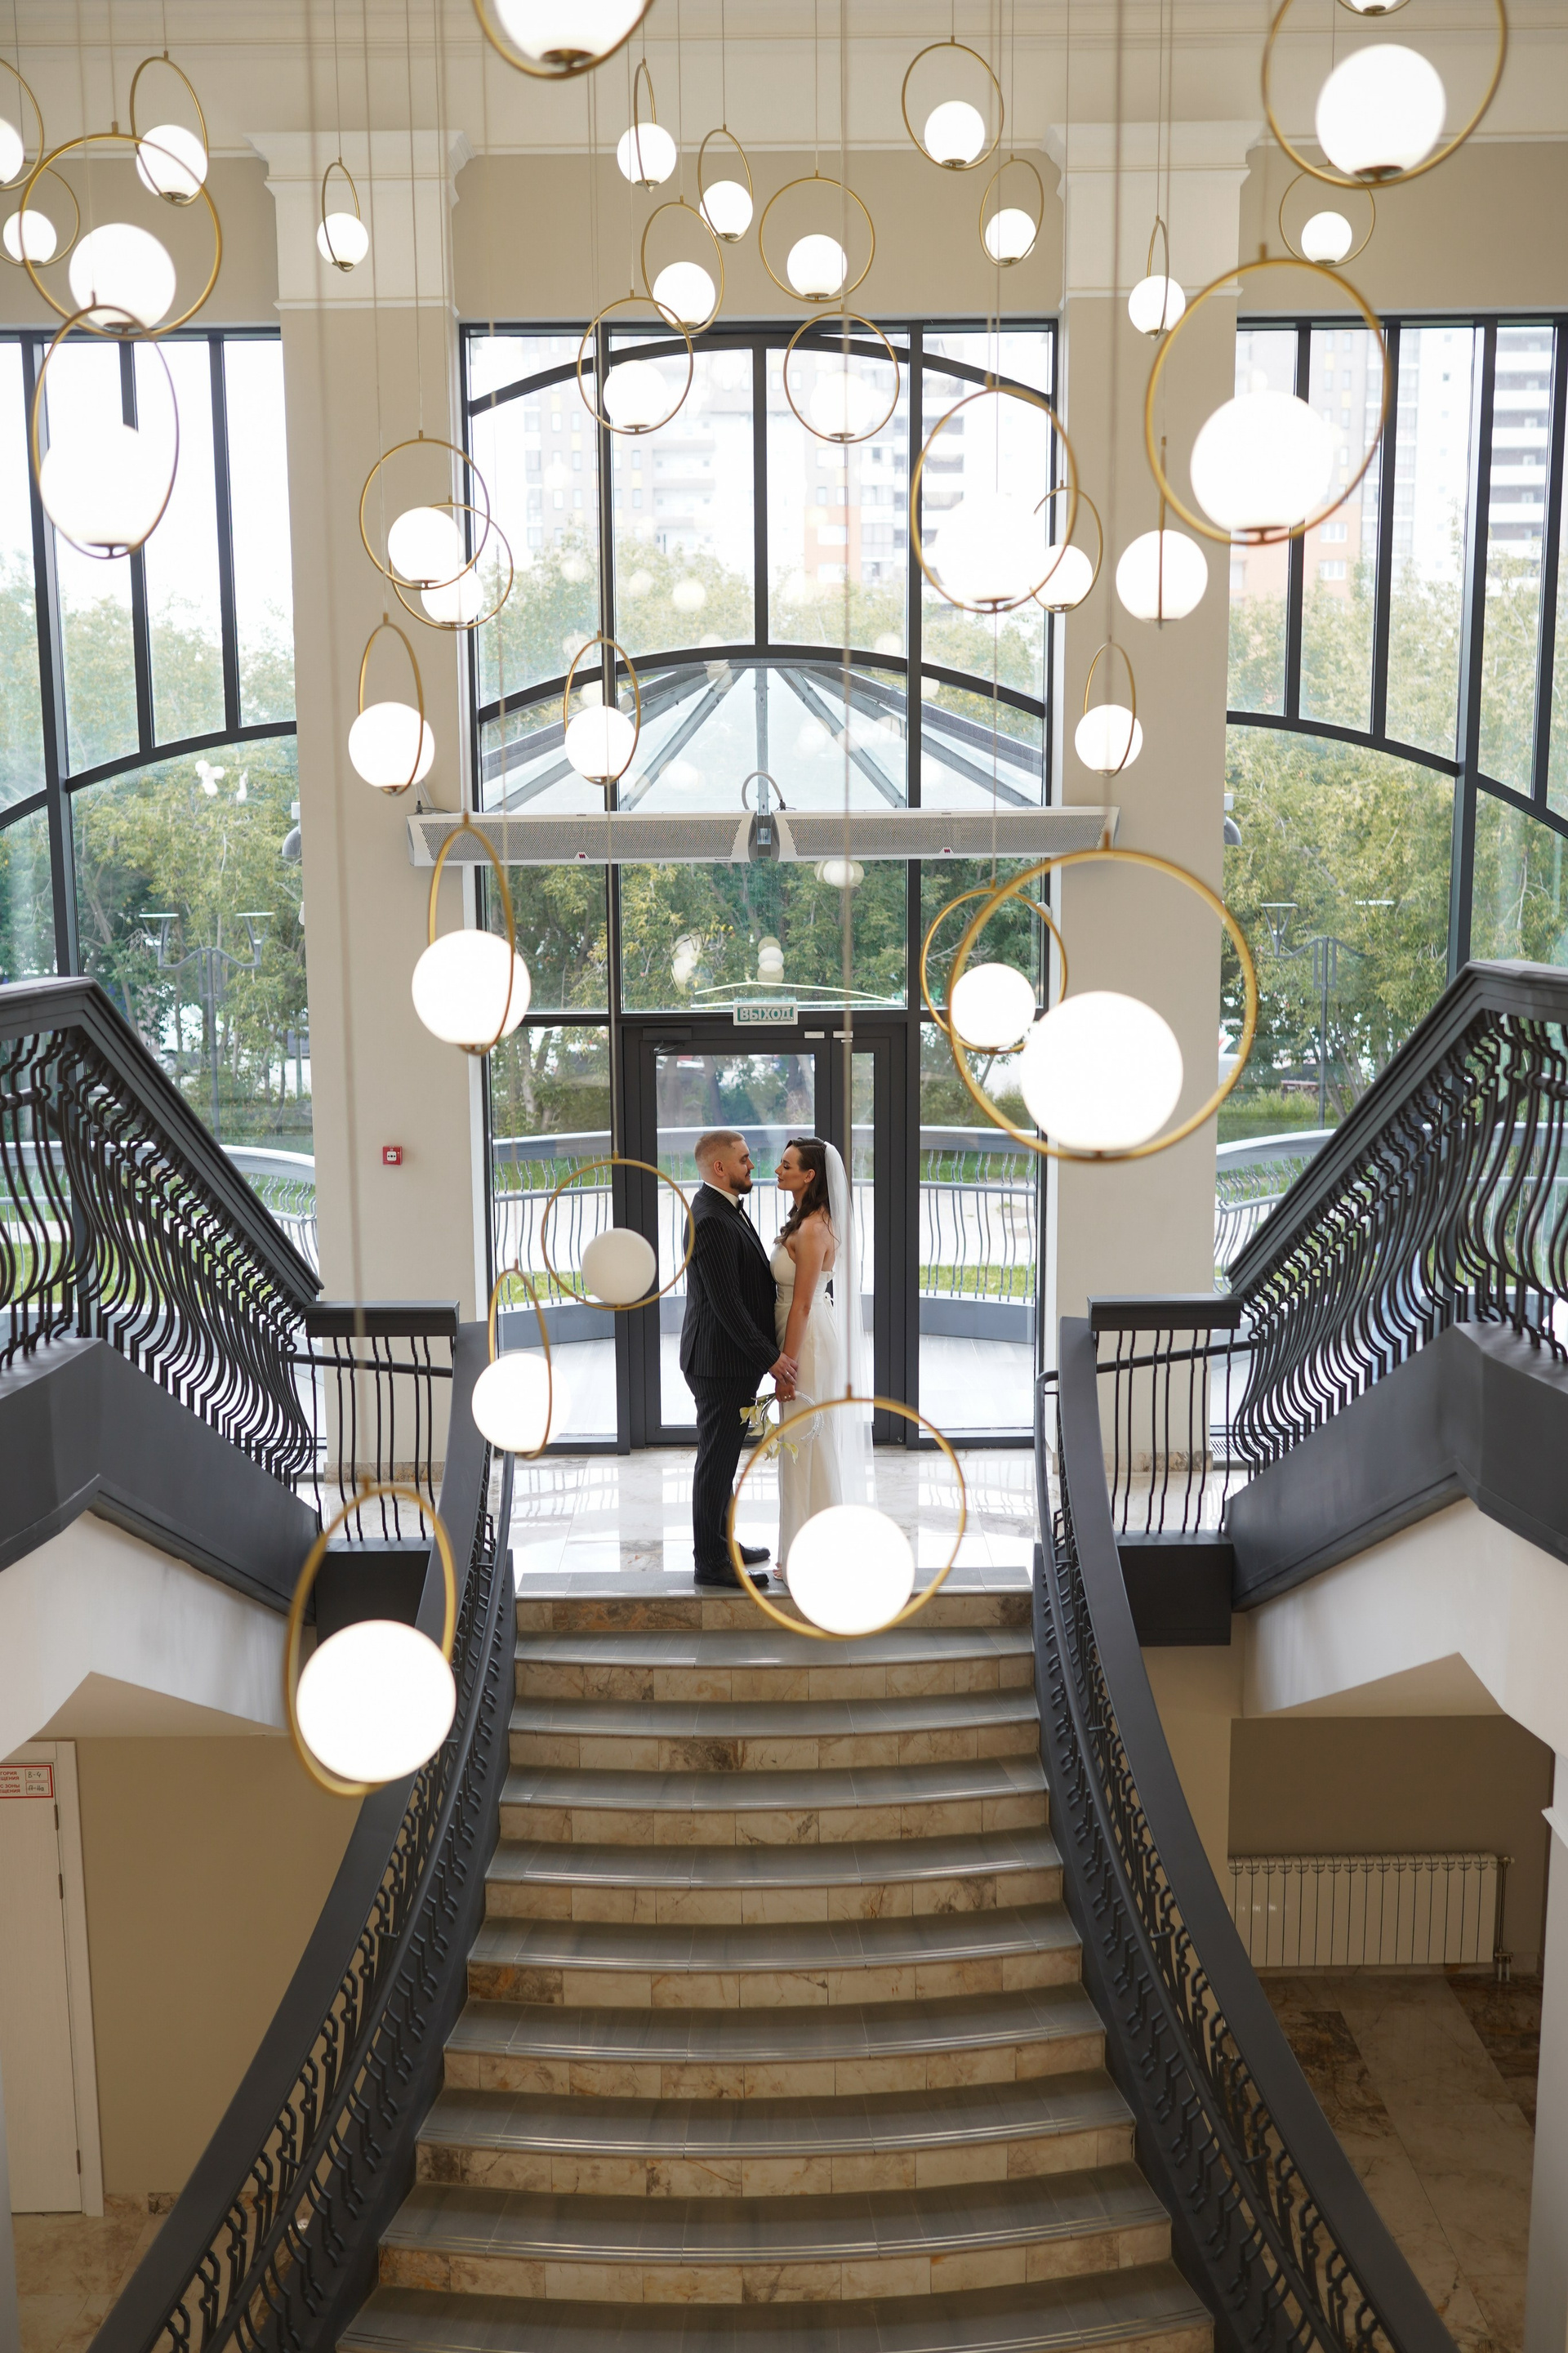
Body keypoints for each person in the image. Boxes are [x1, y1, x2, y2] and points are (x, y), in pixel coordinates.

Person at [679, 1129, 797, 1590]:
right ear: (719, 1167)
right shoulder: (710, 1218)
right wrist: (772, 1359)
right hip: (718, 1363)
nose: (753, 1165)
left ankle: (723, 1542)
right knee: (716, 1462)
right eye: (745, 1159)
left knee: (723, 1460)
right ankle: (710, 1562)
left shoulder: (723, 1206)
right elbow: (726, 1304)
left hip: (726, 1359)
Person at [771, 1136, 871, 1562]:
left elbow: (803, 1304)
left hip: (807, 1340)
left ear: (809, 1175)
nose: (778, 1170)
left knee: (806, 1442)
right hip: (803, 1332)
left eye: (787, 1165)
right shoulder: (807, 1218)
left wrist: (787, 1368)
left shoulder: (813, 1228)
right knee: (806, 1441)